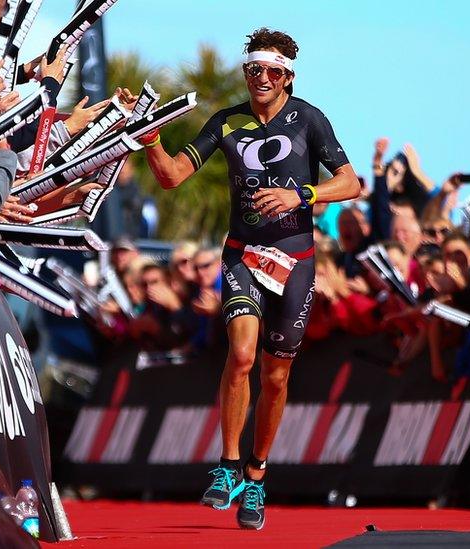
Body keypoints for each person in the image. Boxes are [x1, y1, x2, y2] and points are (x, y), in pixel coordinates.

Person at [141, 28, 359, 529]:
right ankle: (228, 464)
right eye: (254, 69)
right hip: (242, 254)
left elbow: (351, 182)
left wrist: (300, 195)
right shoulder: (226, 122)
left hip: (295, 261)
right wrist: (152, 140)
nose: (262, 78)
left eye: (272, 72)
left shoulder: (308, 118)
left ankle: (257, 477)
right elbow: (172, 175)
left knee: (276, 375)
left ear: (288, 78)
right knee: (240, 356)